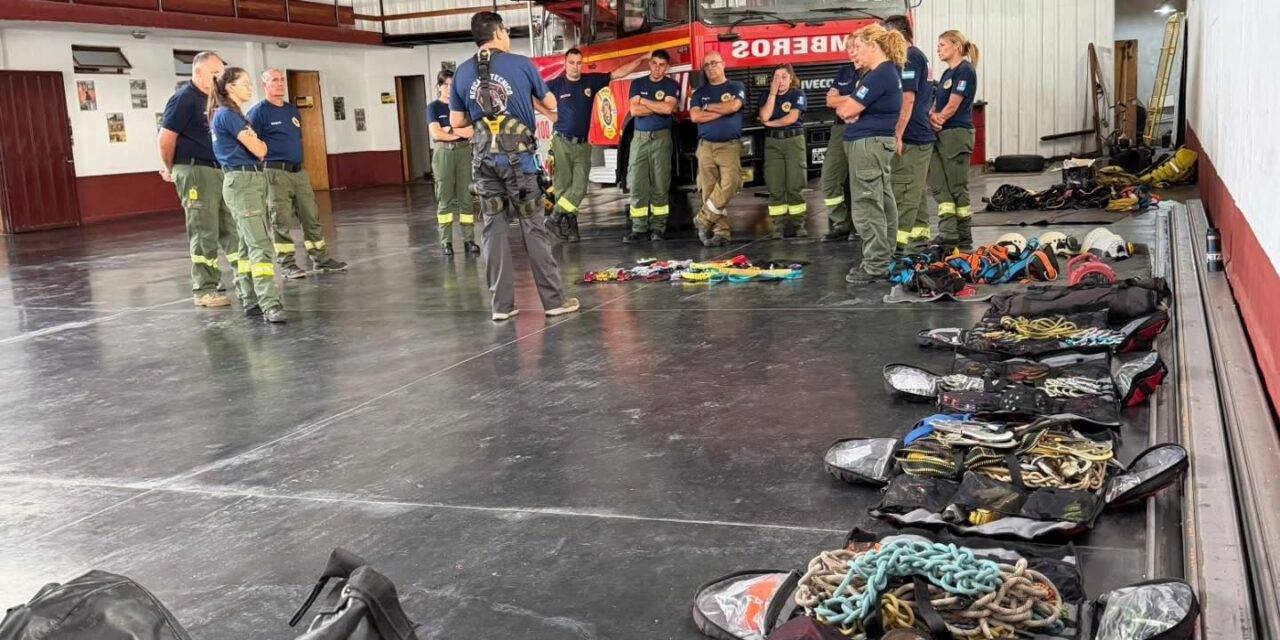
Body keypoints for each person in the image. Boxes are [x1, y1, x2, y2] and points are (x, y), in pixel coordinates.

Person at [449, 11, 579, 322]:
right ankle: (553, 301)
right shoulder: (521, 63)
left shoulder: (462, 72)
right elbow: (553, 108)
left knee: (493, 230)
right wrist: (527, 102)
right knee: (533, 228)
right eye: (506, 31)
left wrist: (479, 116)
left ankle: (501, 307)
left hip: (483, 162)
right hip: (519, 162)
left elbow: (456, 122)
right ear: (498, 32)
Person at [247, 68, 348, 277]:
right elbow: (250, 143)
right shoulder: (258, 112)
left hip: (298, 173)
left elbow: (297, 139)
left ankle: (320, 259)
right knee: (280, 220)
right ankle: (287, 264)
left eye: (282, 79)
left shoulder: (292, 110)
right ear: (264, 85)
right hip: (275, 173)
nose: (280, 83)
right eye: (275, 80)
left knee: (311, 216)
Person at [158, 51, 240, 308]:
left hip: (218, 170)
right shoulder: (184, 99)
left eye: (221, 74)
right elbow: (165, 138)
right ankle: (204, 289)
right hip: (195, 171)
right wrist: (172, 169)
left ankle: (245, 279)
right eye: (214, 73)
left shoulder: (216, 100)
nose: (219, 78)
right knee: (204, 230)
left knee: (230, 227)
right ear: (198, 72)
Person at [208, 66, 287, 323]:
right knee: (259, 245)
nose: (250, 88)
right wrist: (260, 144)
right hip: (243, 182)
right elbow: (260, 148)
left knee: (245, 243)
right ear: (230, 87)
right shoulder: (229, 116)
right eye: (245, 83)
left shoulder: (232, 114)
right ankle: (269, 303)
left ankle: (249, 298)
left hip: (246, 180)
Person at [545, 48, 648, 242]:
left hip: (583, 144)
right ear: (565, 64)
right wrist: (547, 113)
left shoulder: (590, 82)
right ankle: (570, 227)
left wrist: (641, 58)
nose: (575, 67)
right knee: (562, 187)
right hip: (561, 142)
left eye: (578, 63)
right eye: (571, 63)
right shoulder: (555, 84)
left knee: (580, 187)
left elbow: (618, 73)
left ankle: (555, 217)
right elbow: (532, 95)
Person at [836, 24, 906, 284]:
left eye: (859, 47)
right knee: (883, 200)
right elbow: (849, 110)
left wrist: (852, 111)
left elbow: (845, 111)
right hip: (876, 143)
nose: (856, 52)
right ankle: (885, 257)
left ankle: (875, 264)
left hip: (868, 145)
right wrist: (852, 110)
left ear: (873, 46)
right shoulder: (889, 72)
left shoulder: (878, 75)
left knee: (867, 203)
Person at [883, 15, 935, 254]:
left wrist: (897, 135)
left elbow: (908, 98)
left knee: (903, 191)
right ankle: (919, 238)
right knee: (914, 190)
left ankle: (897, 246)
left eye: (886, 34)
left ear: (897, 33)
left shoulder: (910, 57)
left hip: (912, 135)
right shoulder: (915, 57)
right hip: (917, 133)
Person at [688, 50, 745, 247]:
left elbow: (733, 107)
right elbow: (695, 117)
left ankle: (703, 219)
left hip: (729, 146)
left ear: (723, 63)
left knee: (731, 183)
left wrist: (707, 108)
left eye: (714, 63)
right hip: (705, 147)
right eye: (707, 65)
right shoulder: (699, 93)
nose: (711, 67)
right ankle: (721, 232)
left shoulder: (736, 86)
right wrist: (721, 109)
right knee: (709, 190)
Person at [929, 29, 980, 251]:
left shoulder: (965, 70)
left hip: (956, 134)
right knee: (941, 186)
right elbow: (937, 102)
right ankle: (948, 233)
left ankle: (964, 235)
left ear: (956, 45)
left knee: (958, 186)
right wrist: (932, 117)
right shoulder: (947, 75)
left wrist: (939, 118)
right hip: (941, 133)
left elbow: (953, 103)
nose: (938, 49)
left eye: (942, 45)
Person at [624, 49, 680, 243]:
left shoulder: (672, 85)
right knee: (637, 184)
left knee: (660, 184)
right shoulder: (637, 83)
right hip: (639, 141)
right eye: (654, 63)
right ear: (650, 64)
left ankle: (658, 227)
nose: (657, 68)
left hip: (661, 140)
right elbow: (635, 110)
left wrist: (645, 101)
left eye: (662, 65)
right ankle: (638, 228)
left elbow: (667, 109)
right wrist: (655, 106)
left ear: (667, 67)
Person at [427, 69, 478, 256]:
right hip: (443, 155)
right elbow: (436, 133)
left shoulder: (463, 107)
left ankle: (469, 240)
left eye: (451, 85)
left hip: (463, 152)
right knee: (445, 199)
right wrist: (457, 132)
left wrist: (449, 130)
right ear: (439, 87)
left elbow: (473, 131)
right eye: (445, 85)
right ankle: (446, 242)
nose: (448, 89)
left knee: (466, 197)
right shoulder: (433, 107)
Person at [758, 64, 809, 239]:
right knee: (775, 186)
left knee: (795, 184)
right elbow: (764, 115)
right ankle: (777, 226)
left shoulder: (797, 94)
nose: (780, 80)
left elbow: (792, 117)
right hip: (773, 143)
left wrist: (771, 123)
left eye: (784, 77)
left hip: (793, 141)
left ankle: (799, 224)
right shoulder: (766, 96)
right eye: (776, 77)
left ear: (791, 79)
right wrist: (772, 94)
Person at [820, 54, 859, 241]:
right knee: (829, 179)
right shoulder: (844, 71)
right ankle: (840, 222)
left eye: (856, 46)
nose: (853, 51)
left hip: (861, 127)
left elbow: (864, 102)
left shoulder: (874, 71)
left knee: (859, 182)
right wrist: (852, 98)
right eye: (850, 47)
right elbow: (829, 101)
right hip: (840, 126)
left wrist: (842, 99)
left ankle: (859, 227)